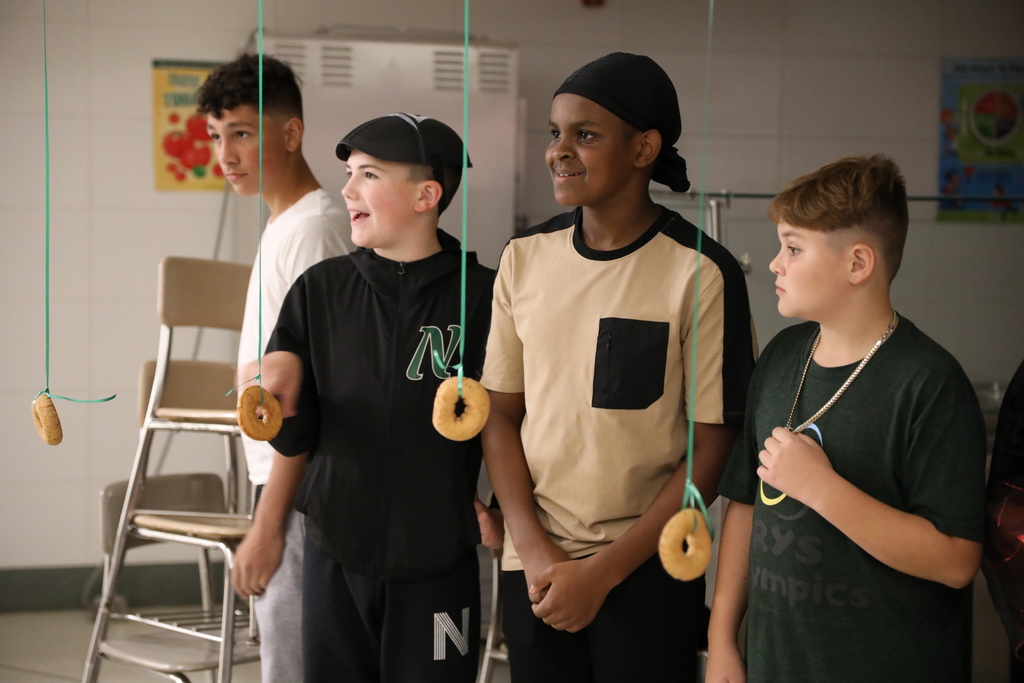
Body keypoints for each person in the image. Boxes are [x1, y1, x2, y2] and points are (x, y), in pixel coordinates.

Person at [480, 52, 756, 682]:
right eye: (555, 133)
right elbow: (498, 416)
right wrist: (534, 549)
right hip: (538, 568)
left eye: (586, 134)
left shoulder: (701, 272)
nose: (559, 150)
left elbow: (712, 443)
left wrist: (602, 573)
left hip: (649, 568)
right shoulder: (523, 259)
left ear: (643, 149)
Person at [708, 155, 987, 683]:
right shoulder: (782, 357)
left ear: (858, 264)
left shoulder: (928, 384)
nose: (775, 264)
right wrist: (722, 639)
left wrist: (822, 489)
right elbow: (744, 505)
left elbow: (955, 561)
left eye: (793, 248)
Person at [258, 113, 497, 683]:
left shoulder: (486, 297)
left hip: (439, 558)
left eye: (368, 174)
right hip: (334, 552)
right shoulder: (320, 290)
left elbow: (516, 419)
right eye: (349, 173)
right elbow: (296, 431)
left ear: (426, 195)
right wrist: (279, 405)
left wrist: (506, 508)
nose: (346, 190)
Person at [197, 53, 350, 682]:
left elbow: (312, 399)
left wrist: (267, 527)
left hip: (302, 491)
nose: (225, 154)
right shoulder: (287, 224)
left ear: (290, 134)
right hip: (285, 483)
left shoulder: (314, 228)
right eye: (215, 137)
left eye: (241, 133)